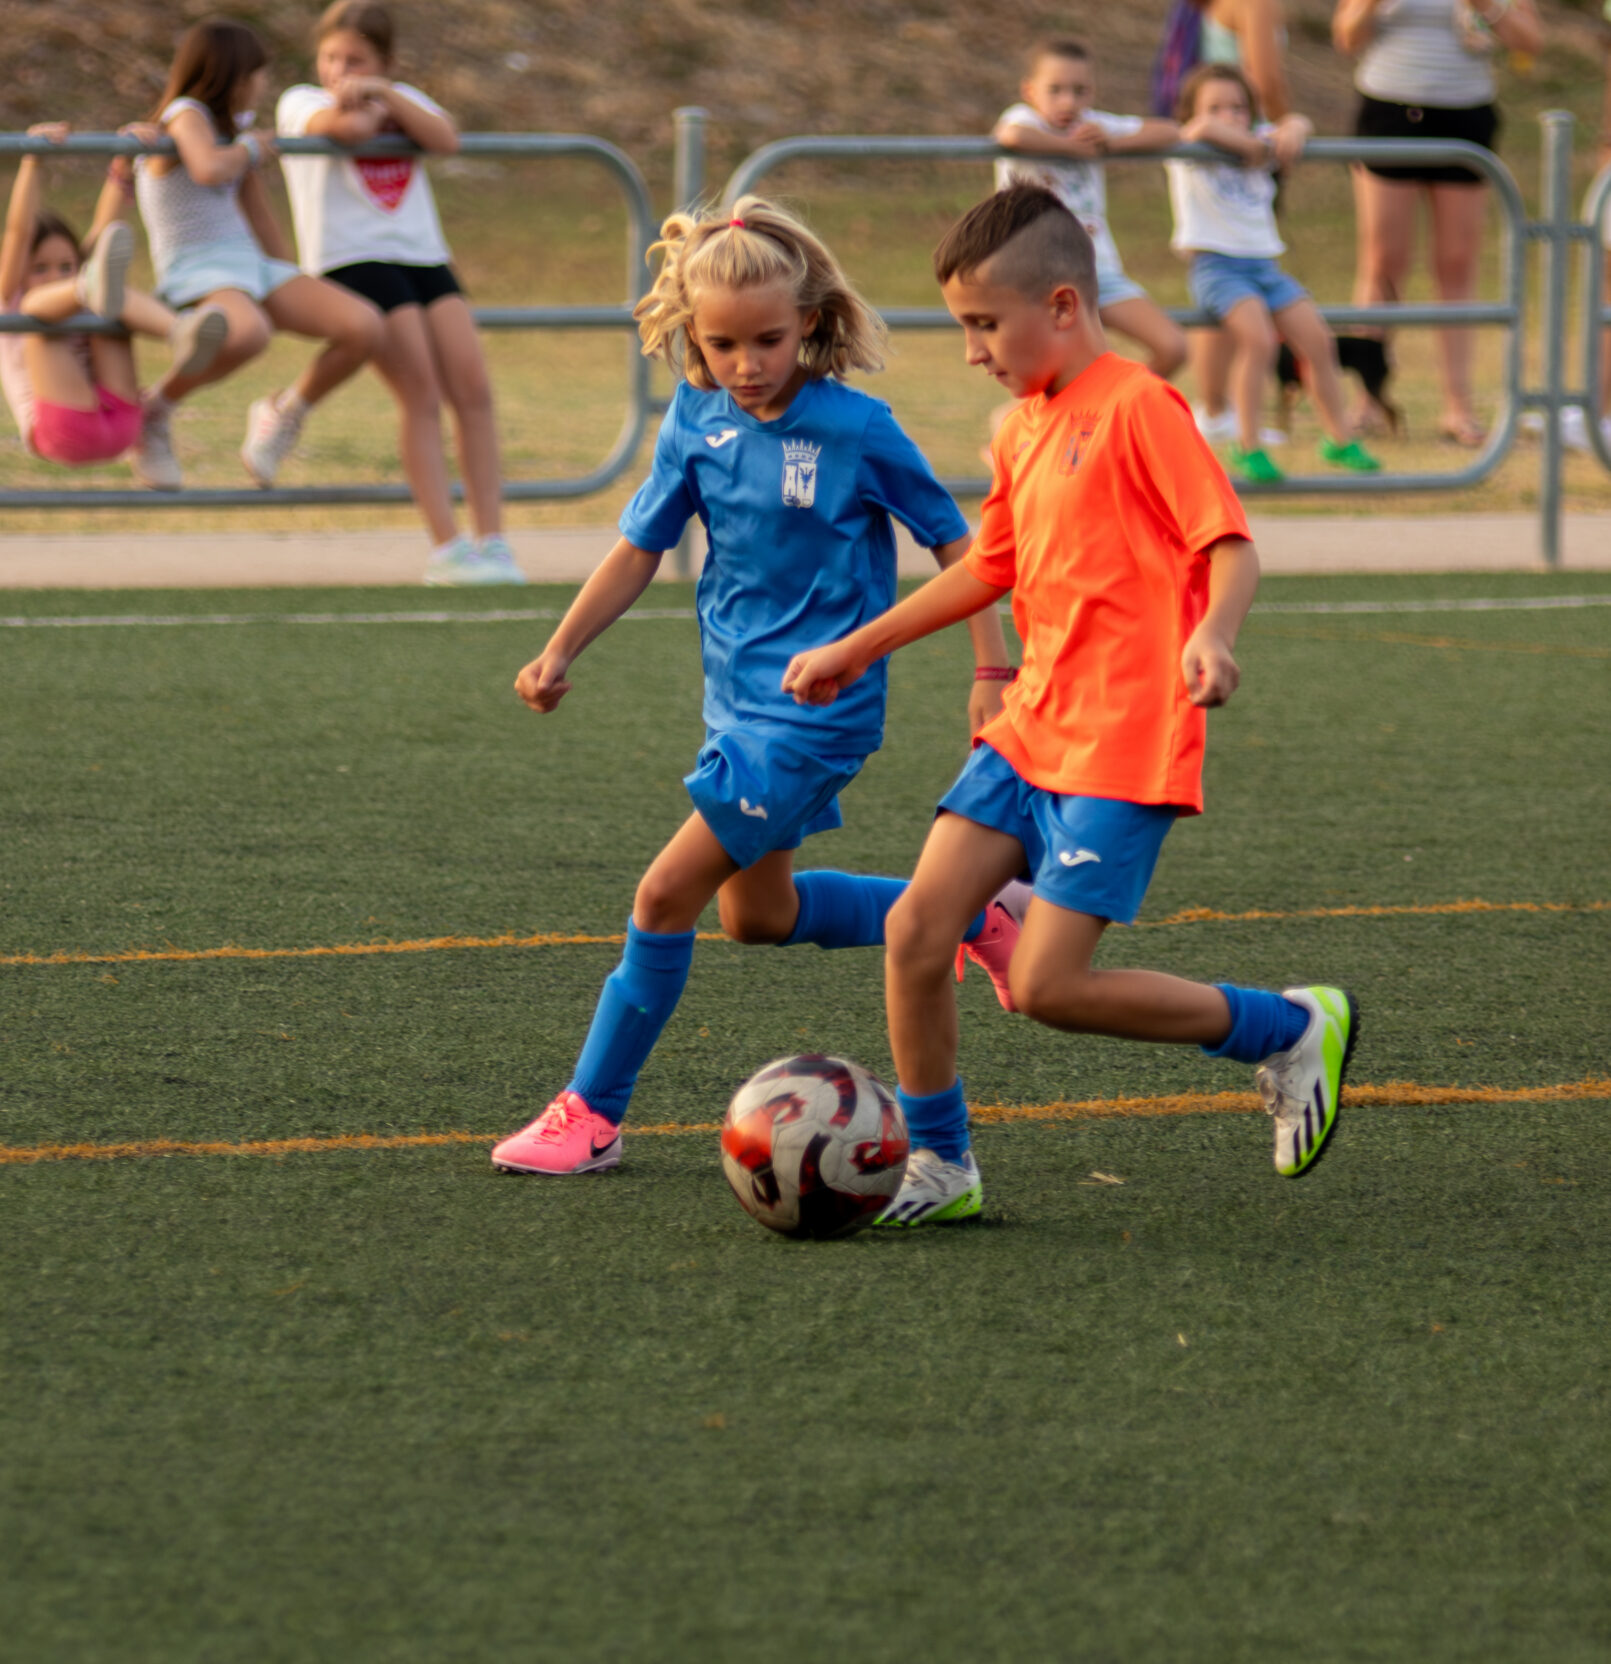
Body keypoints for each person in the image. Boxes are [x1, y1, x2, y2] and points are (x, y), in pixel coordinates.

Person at [782, 184, 1357, 1229]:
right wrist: (855, 647)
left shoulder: (1139, 405)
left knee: (1046, 985)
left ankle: (1281, 1026)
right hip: (1032, 730)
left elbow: (1227, 542)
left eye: (982, 325)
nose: (972, 352)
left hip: (1124, 743)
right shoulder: (1022, 429)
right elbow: (985, 568)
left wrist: (1211, 635)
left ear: (1060, 304)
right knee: (917, 927)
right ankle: (944, 1163)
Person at [492, 194, 1019, 1178]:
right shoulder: (696, 418)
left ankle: (590, 1114)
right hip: (734, 708)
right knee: (757, 917)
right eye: (723, 342)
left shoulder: (857, 428)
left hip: (820, 715)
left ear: (809, 322)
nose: (747, 363)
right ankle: (978, 915)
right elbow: (639, 545)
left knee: (664, 895)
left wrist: (994, 664)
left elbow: (964, 542)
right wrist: (560, 647)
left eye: (769, 339)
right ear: (694, 336)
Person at [276, 0, 523, 588]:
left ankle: (492, 539)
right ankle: (448, 546)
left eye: (357, 59)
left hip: (421, 254)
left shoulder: (401, 97)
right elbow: (346, 128)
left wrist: (384, 93)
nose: (341, 70)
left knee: (473, 386)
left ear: (384, 62)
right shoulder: (302, 99)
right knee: (422, 393)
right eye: (332, 57)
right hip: (352, 258)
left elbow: (444, 138)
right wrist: (359, 99)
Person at [1332, 0, 1541, 447]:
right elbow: (1346, 36)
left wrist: (1488, 0)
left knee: (1456, 265)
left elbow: (1530, 40)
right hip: (1389, 112)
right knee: (1382, 261)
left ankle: (1458, 406)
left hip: (1464, 117)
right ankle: (1369, 397)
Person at [135, 19, 381, 493]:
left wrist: (292, 275)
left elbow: (257, 210)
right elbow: (207, 169)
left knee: (363, 326)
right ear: (234, 74)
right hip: (196, 264)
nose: (263, 84)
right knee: (249, 333)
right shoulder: (186, 114)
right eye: (258, 74)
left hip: (248, 263)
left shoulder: (234, 130)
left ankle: (283, 413)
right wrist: (249, 149)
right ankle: (153, 412)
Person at [1167, 64, 1380, 484]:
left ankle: (1338, 437)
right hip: (1217, 268)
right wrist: (1252, 144)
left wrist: (1291, 129)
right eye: (1216, 107)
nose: (1229, 116)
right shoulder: (1190, 150)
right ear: (1194, 110)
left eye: (1239, 107)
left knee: (1317, 339)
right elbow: (1197, 130)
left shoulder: (1260, 143)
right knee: (1259, 340)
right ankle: (1248, 446)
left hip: (1264, 266)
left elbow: (1296, 123)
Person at [0, 123, 227, 477]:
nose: (55, 277)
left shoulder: (92, 285)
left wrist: (124, 161)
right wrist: (32, 161)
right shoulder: (9, 296)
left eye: (65, 267)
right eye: (41, 268)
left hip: (122, 422)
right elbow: (18, 233)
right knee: (37, 312)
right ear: (19, 269)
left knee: (111, 302)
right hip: (63, 427)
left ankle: (182, 332)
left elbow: (104, 226)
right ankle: (109, 296)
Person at [1158, 0, 1295, 442]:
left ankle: (1214, 405)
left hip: (1200, 152)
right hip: (1239, 151)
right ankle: (1223, 409)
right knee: (1240, 273)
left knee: (1216, 280)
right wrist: (1281, 132)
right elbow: (1264, 76)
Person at [993, 35, 1186, 378]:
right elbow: (1011, 136)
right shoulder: (1025, 118)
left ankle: (1113, 412)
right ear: (1030, 91)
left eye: (1080, 90)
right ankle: (1021, 419)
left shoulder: (1094, 127)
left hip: (1100, 270)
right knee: (1084, 367)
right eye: (1055, 90)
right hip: (1042, 273)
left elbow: (1169, 131)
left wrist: (1112, 142)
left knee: (1173, 346)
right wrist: (1069, 148)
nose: (1068, 101)